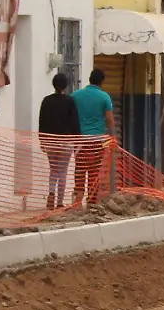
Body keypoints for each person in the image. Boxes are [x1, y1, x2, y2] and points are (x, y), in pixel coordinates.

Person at [71, 69, 116, 205]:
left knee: (79, 171)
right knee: (94, 172)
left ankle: (77, 203)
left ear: (89, 79)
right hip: (97, 141)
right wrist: (113, 137)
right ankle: (92, 202)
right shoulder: (104, 97)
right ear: (102, 81)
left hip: (79, 141)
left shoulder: (75, 95)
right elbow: (109, 119)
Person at [38, 73, 79, 208]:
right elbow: (74, 123)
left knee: (53, 170)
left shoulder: (46, 101)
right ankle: (60, 202)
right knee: (62, 171)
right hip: (65, 142)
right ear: (65, 86)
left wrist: (42, 140)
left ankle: (51, 194)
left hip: (50, 141)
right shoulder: (70, 101)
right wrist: (77, 141)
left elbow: (42, 122)